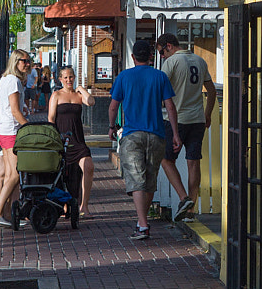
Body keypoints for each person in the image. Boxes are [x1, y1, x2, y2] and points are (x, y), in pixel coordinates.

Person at [106, 39, 181, 241]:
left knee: (137, 180)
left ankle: (143, 225)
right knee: (149, 179)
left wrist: (112, 127)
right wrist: (175, 133)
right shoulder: (160, 77)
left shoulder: (124, 77)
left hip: (132, 134)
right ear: (150, 56)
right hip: (156, 134)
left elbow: (113, 106)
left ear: (132, 57)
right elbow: (170, 107)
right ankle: (142, 221)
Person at [157, 33, 217, 221]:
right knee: (193, 162)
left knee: (166, 160)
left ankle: (184, 198)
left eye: (161, 52)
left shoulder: (172, 62)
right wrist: (207, 113)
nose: (161, 57)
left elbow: (160, 89)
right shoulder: (199, 61)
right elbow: (212, 90)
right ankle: (190, 211)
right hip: (197, 119)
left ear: (168, 46)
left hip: (176, 119)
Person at [0, 49, 31, 228]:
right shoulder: (13, 81)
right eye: (23, 61)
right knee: (13, 175)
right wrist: (29, 127)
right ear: (15, 62)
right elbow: (15, 111)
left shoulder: (5, 79)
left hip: (4, 131)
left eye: (28, 61)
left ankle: (8, 213)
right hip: (12, 131)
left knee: (10, 174)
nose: (27, 64)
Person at [47, 65, 95, 219]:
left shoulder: (78, 95)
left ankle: (84, 205)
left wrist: (81, 88)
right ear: (60, 79)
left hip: (78, 140)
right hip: (62, 140)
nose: (69, 80)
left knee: (88, 166)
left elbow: (92, 102)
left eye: (71, 77)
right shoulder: (56, 95)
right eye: (65, 77)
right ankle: (66, 206)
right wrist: (54, 139)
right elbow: (51, 118)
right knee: (63, 175)